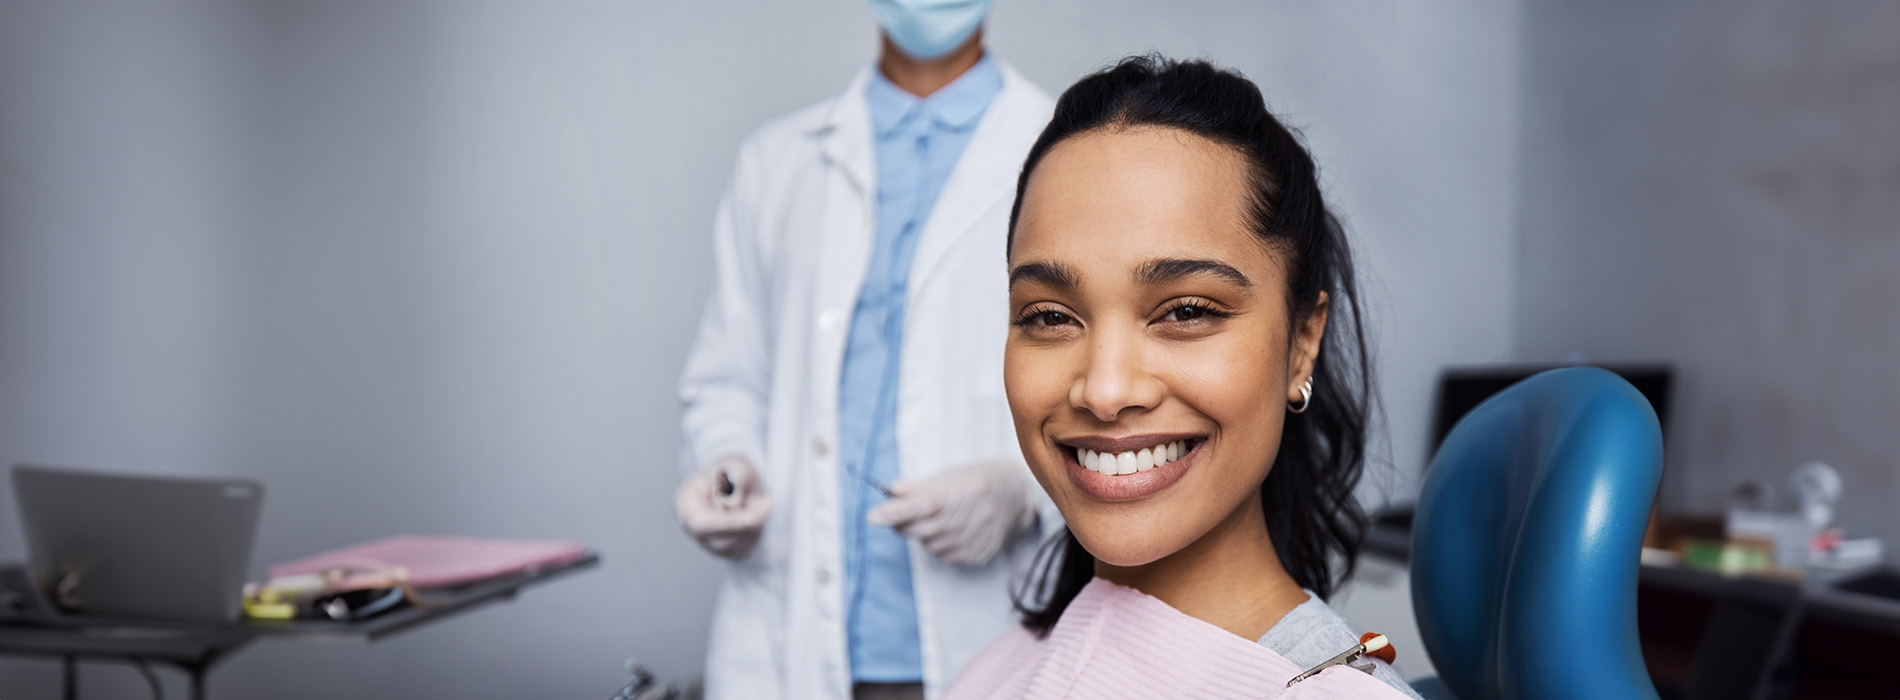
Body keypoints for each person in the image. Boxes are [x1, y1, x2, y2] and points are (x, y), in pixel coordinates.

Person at [942, 56, 1423, 699]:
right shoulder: (1003, 667)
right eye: (1050, 315)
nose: (1106, 391)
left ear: (1303, 343)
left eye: (1187, 311)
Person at [673, 2, 1056, 700]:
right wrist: (729, 462)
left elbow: (1108, 386)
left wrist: (1025, 491)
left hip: (987, 641)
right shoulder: (778, 161)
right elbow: (728, 379)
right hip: (790, 643)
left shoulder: (1062, 153)